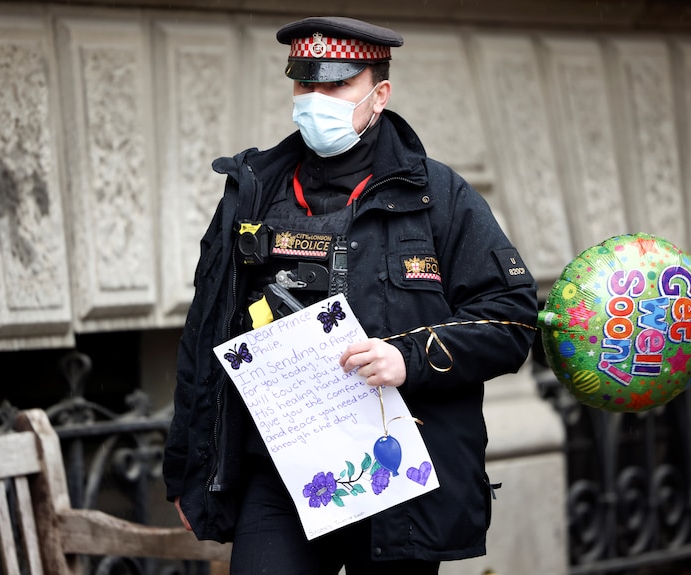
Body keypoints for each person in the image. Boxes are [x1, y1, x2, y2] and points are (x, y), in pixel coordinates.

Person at [163, 16, 538, 574]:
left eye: (336, 85)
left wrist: (406, 359)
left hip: (397, 479)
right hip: (281, 470)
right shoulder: (253, 193)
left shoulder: (440, 197)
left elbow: (511, 322)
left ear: (379, 93)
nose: (316, 99)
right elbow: (204, 336)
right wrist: (186, 470)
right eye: (304, 84)